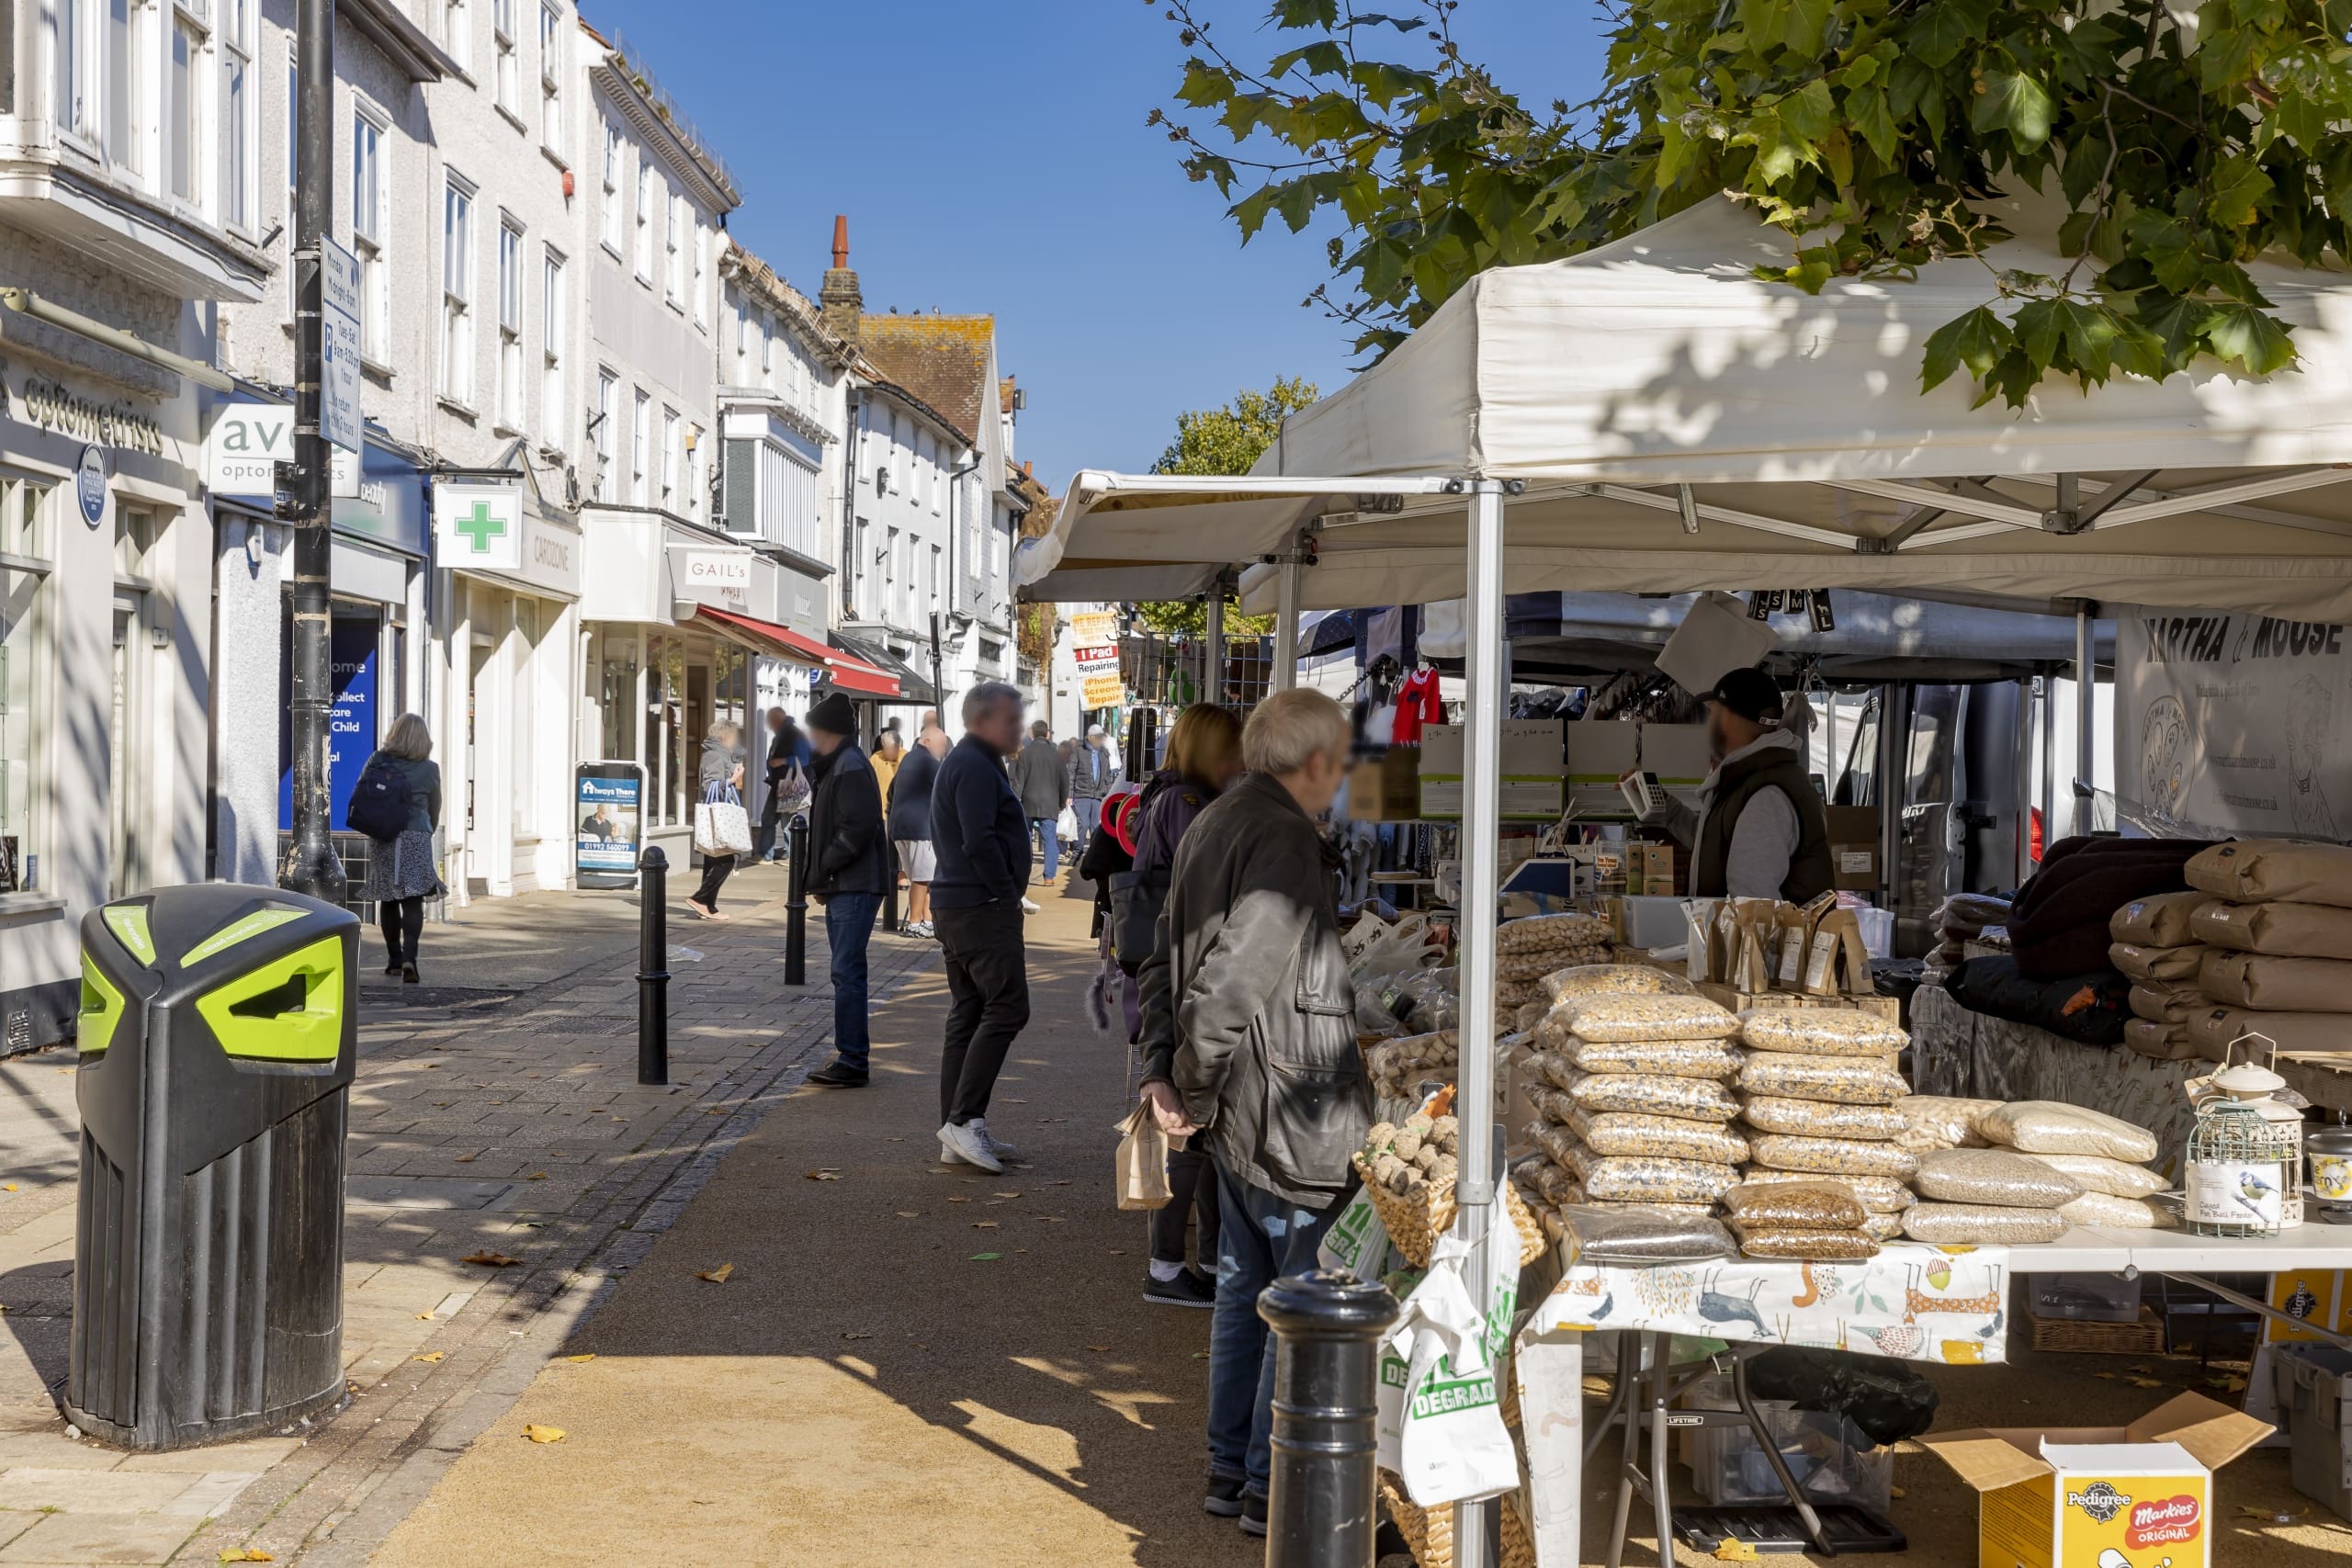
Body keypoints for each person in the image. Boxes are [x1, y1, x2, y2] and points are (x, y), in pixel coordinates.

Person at [1137, 688, 1367, 1536]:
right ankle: (1269, 1481)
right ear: (1312, 763)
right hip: (1284, 1100)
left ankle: (1232, 1468)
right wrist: (1184, 1088)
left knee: (1246, 1286)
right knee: (1297, 1289)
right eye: (1339, 761)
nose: (1343, 778)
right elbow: (1233, 977)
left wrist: (1171, 1075)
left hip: (1248, 1097)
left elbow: (1162, 957)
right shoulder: (1276, 832)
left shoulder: (1218, 818)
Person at [1123, 703, 1243, 1309]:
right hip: (1175, 984)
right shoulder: (1189, 807)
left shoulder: (1165, 796)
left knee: (1181, 1134)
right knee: (1183, 1137)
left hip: (1165, 979)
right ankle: (1167, 1266)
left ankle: (1179, 1263)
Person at [928, 682, 1033, 1174]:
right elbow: (979, 838)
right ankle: (963, 1121)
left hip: (962, 903)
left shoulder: (975, 760)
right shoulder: (972, 764)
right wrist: (1006, 894)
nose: (1018, 728)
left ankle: (959, 1125)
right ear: (981, 721)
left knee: (970, 1012)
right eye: (1011, 720)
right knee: (1008, 1007)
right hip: (979, 906)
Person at [1641, 666, 1834, 901]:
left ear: (1730, 718)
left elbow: (1752, 899)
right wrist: (1668, 810)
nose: (1709, 723)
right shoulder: (1755, 778)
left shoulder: (1767, 794)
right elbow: (1717, 847)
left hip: (1751, 937)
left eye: (1713, 712)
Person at [802, 694, 890, 1089]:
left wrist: (825, 868)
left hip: (854, 883)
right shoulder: (838, 764)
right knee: (845, 971)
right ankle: (850, 1055)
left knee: (846, 971)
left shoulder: (849, 764)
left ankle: (853, 1059)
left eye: (813, 731)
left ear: (828, 732)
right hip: (846, 882)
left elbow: (858, 825)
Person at [358, 713, 444, 984]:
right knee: (413, 899)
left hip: (384, 835)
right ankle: (410, 958)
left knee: (389, 897)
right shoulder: (429, 769)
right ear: (424, 739)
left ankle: (394, 959)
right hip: (416, 836)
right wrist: (427, 828)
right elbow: (435, 808)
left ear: (394, 734)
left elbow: (364, 792)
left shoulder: (377, 760)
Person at [890, 725, 946, 938]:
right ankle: (915, 922)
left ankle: (926, 919)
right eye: (940, 745)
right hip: (920, 829)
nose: (942, 750)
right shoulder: (928, 762)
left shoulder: (909, 759)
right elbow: (945, 790)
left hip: (900, 827)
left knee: (923, 877)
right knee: (923, 878)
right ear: (927, 742)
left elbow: (891, 791)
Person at [687, 721, 746, 921]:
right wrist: (732, 779)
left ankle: (708, 907)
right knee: (726, 860)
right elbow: (709, 784)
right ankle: (700, 899)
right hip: (717, 815)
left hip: (720, 814)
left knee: (713, 861)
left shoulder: (722, 753)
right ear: (725, 736)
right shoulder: (714, 754)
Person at [1009, 719, 1069, 886]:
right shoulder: (1056, 755)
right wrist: (1062, 801)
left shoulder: (1025, 754)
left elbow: (1019, 782)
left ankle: (1024, 875)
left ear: (1033, 733)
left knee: (1025, 839)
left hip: (1028, 802)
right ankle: (1049, 877)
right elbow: (1065, 780)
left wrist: (1014, 801)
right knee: (1050, 839)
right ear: (1047, 734)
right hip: (1050, 803)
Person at [756, 707, 811, 863]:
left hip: (789, 785)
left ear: (777, 720)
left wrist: (783, 761)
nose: (770, 725)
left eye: (771, 721)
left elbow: (804, 759)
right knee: (770, 818)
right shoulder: (782, 736)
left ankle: (795, 857)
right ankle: (770, 855)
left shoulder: (793, 735)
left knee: (786, 822)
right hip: (779, 784)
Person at [1068, 723, 1121, 863]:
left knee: (1095, 827)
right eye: (1097, 737)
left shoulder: (1104, 752)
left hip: (1098, 795)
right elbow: (1071, 773)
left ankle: (1093, 856)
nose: (1100, 740)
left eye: (1101, 737)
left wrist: (1109, 793)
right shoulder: (1079, 751)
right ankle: (1076, 853)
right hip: (1082, 794)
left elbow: (1108, 775)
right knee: (1083, 824)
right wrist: (1069, 794)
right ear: (1090, 737)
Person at [873, 730, 903, 816]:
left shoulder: (906, 758)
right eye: (886, 748)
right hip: (881, 809)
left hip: (899, 810)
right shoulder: (875, 759)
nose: (889, 751)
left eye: (892, 748)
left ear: (899, 746)